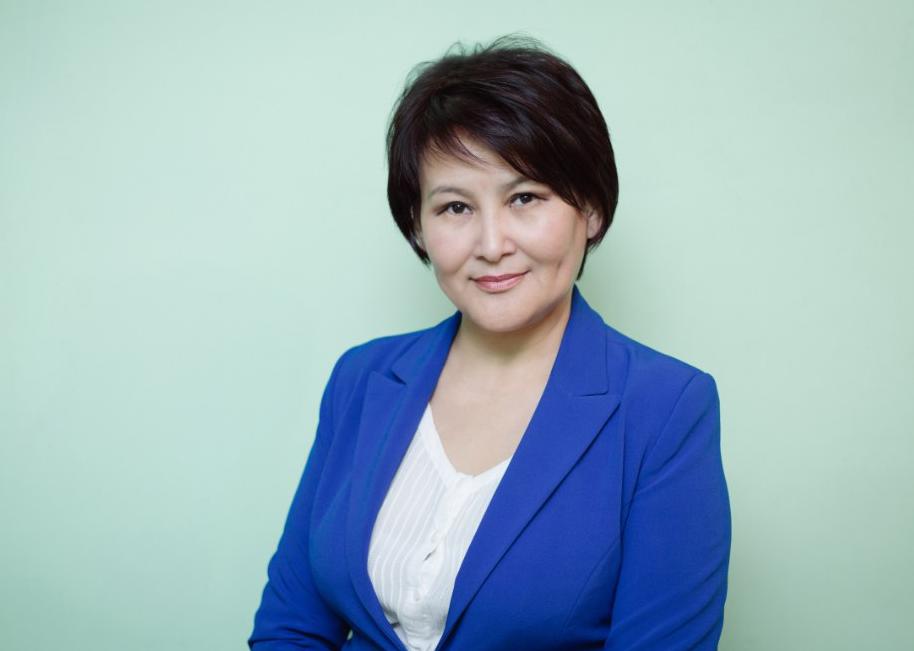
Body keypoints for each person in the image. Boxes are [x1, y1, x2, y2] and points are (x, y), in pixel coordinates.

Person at [248, 33, 731, 651]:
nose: (492, 244)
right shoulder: (362, 378)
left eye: (525, 198)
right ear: (418, 227)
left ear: (590, 209)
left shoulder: (665, 408)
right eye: (455, 208)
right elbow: (291, 627)